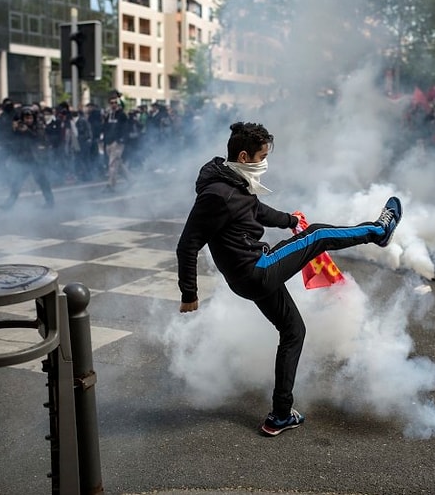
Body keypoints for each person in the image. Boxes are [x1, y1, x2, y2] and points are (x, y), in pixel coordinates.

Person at [176, 122, 402, 437]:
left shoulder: (235, 180)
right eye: (262, 156)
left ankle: (280, 415)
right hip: (257, 269)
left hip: (252, 275)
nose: (266, 162)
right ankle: (378, 231)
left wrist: (290, 221)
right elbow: (187, 245)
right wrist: (189, 294)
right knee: (320, 235)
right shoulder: (216, 194)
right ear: (244, 155)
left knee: (294, 331)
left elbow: (256, 210)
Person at [0, 106, 54, 210]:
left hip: (36, 159)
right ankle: (8, 204)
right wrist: (14, 129)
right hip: (23, 159)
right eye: (26, 118)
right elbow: (10, 140)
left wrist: (27, 130)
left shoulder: (38, 125)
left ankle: (50, 202)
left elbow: (39, 138)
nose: (28, 120)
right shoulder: (19, 126)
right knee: (16, 183)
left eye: (30, 118)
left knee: (43, 182)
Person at [102, 92, 131, 192]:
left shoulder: (122, 115)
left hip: (117, 142)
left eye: (115, 103)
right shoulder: (108, 115)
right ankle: (131, 179)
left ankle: (111, 185)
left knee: (112, 164)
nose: (113, 104)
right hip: (109, 141)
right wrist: (104, 139)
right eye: (111, 103)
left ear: (118, 104)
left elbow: (126, 128)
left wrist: (121, 139)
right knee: (118, 163)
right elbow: (105, 127)